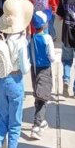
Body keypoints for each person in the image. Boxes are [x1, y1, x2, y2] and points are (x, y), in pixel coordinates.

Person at [0, 0, 32, 148]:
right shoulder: (21, 41)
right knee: (15, 123)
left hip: (0, 79)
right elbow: (25, 68)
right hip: (15, 79)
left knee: (3, 117)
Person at [29, 11, 55, 140]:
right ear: (44, 24)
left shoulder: (32, 38)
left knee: (37, 95)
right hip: (45, 70)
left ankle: (42, 121)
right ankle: (36, 126)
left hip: (34, 70)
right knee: (43, 99)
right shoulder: (47, 38)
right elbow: (52, 57)